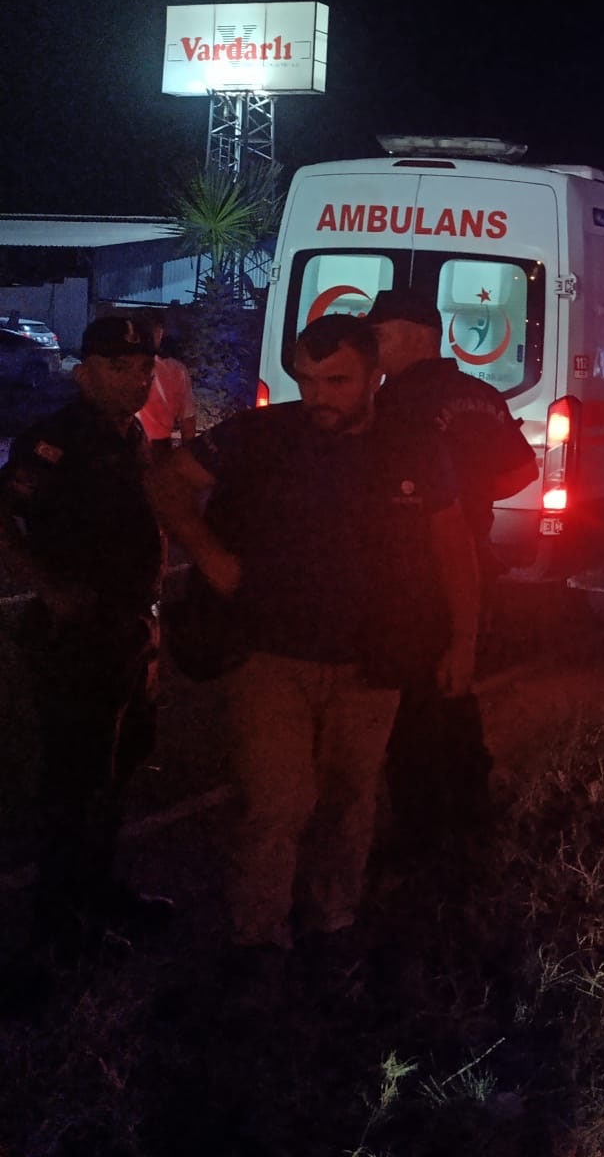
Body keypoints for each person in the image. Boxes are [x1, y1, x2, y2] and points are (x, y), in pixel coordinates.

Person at [147, 315, 478, 974]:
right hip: (270, 653)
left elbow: (453, 546)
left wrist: (463, 642)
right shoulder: (261, 434)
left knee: (350, 795)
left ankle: (333, 920)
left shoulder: (412, 447)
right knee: (278, 800)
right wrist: (210, 557)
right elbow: (165, 481)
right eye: (307, 379)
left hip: (371, 657)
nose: (318, 395)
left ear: (375, 377)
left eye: (337, 381)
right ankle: (258, 935)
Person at [0, 318, 168, 958]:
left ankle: (97, 893)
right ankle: (58, 921)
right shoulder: (56, 441)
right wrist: (48, 588)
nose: (137, 380)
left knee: (118, 770)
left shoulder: (130, 434)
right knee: (75, 780)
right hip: (78, 637)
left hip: (131, 628)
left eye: (144, 368)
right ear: (84, 371)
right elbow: (4, 516)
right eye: (120, 367)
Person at [363, 288, 537, 859]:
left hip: (410, 569)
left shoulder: (394, 402)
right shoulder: (481, 395)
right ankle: (469, 808)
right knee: (454, 686)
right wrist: (472, 503)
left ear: (417, 336)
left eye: (380, 335)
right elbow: (522, 470)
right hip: (472, 560)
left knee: (409, 698)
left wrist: (442, 510)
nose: (371, 346)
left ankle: (421, 831)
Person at [136, 317, 197, 455]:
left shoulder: (121, 369)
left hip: (136, 447)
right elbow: (188, 423)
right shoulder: (175, 370)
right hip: (157, 448)